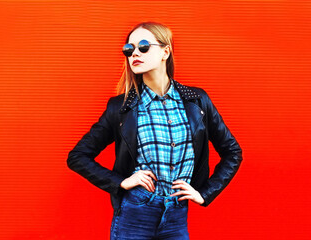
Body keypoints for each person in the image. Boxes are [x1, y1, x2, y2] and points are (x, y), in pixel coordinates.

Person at [67, 21, 243, 240]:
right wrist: (121, 182)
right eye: (128, 49)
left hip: (177, 214)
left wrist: (204, 193)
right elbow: (77, 157)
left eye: (143, 46)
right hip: (135, 213)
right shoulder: (121, 108)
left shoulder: (197, 101)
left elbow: (232, 151)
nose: (134, 54)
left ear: (165, 51)